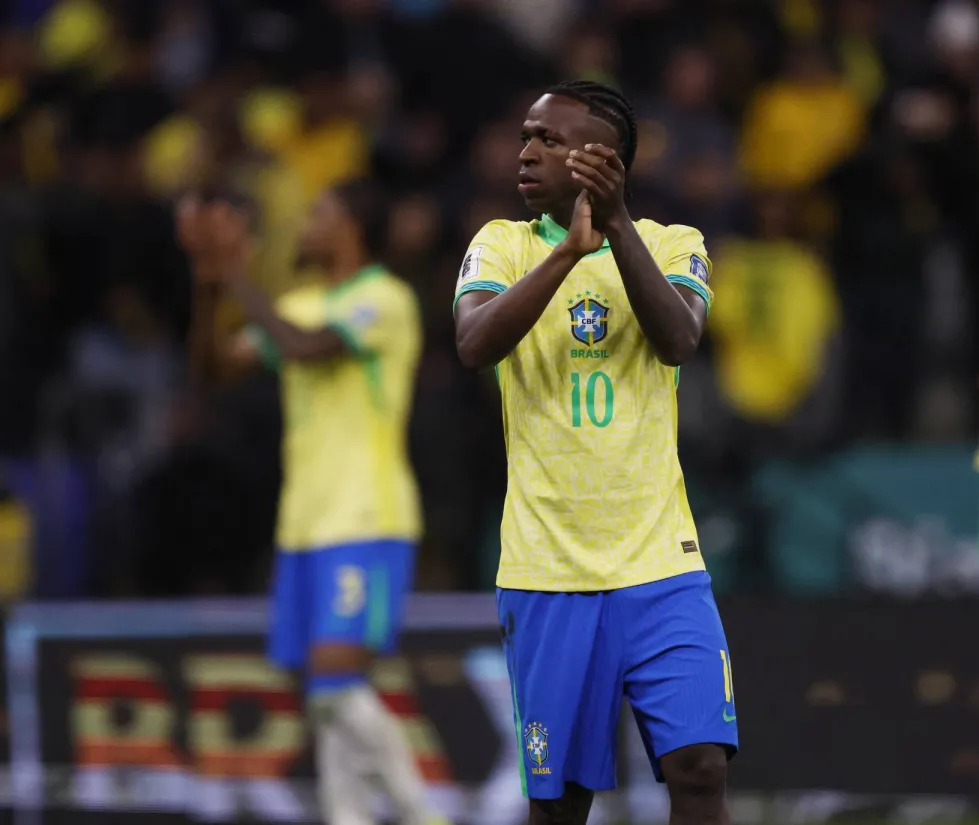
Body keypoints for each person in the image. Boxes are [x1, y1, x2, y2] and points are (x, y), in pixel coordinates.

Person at [453, 80, 737, 825]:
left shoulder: (675, 244)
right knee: (561, 803)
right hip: (549, 569)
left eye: (548, 139)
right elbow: (474, 344)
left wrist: (614, 228)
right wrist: (566, 255)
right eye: (526, 135)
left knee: (701, 767)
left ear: (603, 159)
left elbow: (678, 338)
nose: (526, 152)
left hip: (662, 563)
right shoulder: (502, 244)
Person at [178, 181, 439, 825]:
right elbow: (212, 372)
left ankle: (420, 812)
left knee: (335, 682)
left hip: (367, 515)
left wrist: (235, 279)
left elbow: (307, 346)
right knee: (322, 696)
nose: (304, 225)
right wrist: (208, 286)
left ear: (352, 226)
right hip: (303, 524)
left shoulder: (384, 300)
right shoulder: (297, 305)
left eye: (318, 213)